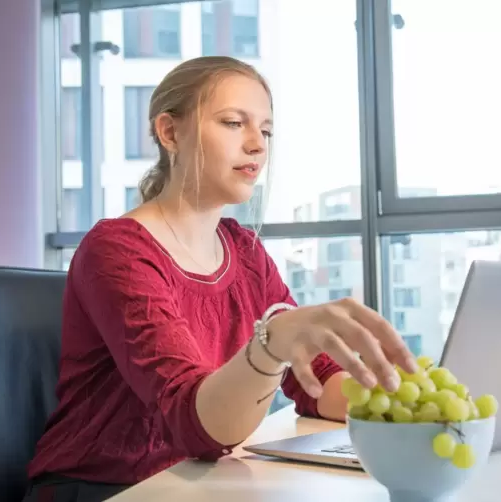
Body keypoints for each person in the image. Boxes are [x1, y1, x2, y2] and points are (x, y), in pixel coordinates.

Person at [22, 55, 416, 502]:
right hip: (104, 489)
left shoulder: (245, 251)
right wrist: (270, 346)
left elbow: (315, 382)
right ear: (170, 132)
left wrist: (404, 400)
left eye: (265, 131)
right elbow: (200, 428)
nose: (257, 145)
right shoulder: (117, 251)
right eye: (233, 123)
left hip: (197, 483)